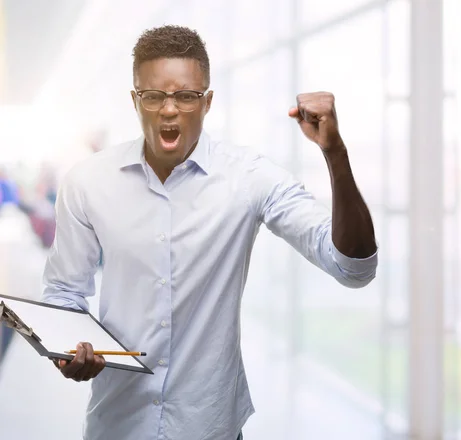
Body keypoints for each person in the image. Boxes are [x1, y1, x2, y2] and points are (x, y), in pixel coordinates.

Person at [41, 25, 378, 440]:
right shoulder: (88, 181)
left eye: (185, 95)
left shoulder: (249, 177)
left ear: (207, 102)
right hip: (117, 424)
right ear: (135, 100)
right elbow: (62, 294)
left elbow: (352, 267)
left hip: (210, 427)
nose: (169, 110)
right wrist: (73, 348)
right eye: (153, 96)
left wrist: (335, 153)